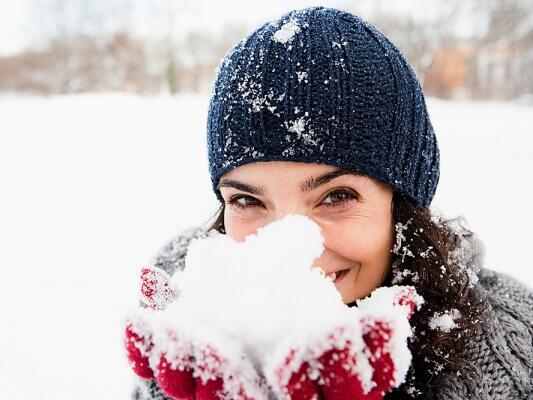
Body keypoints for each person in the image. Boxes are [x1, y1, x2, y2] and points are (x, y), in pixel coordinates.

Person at [131, 7, 533, 400]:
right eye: (246, 200)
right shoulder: (181, 334)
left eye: (336, 196)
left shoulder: (516, 355)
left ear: (404, 206)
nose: (293, 253)